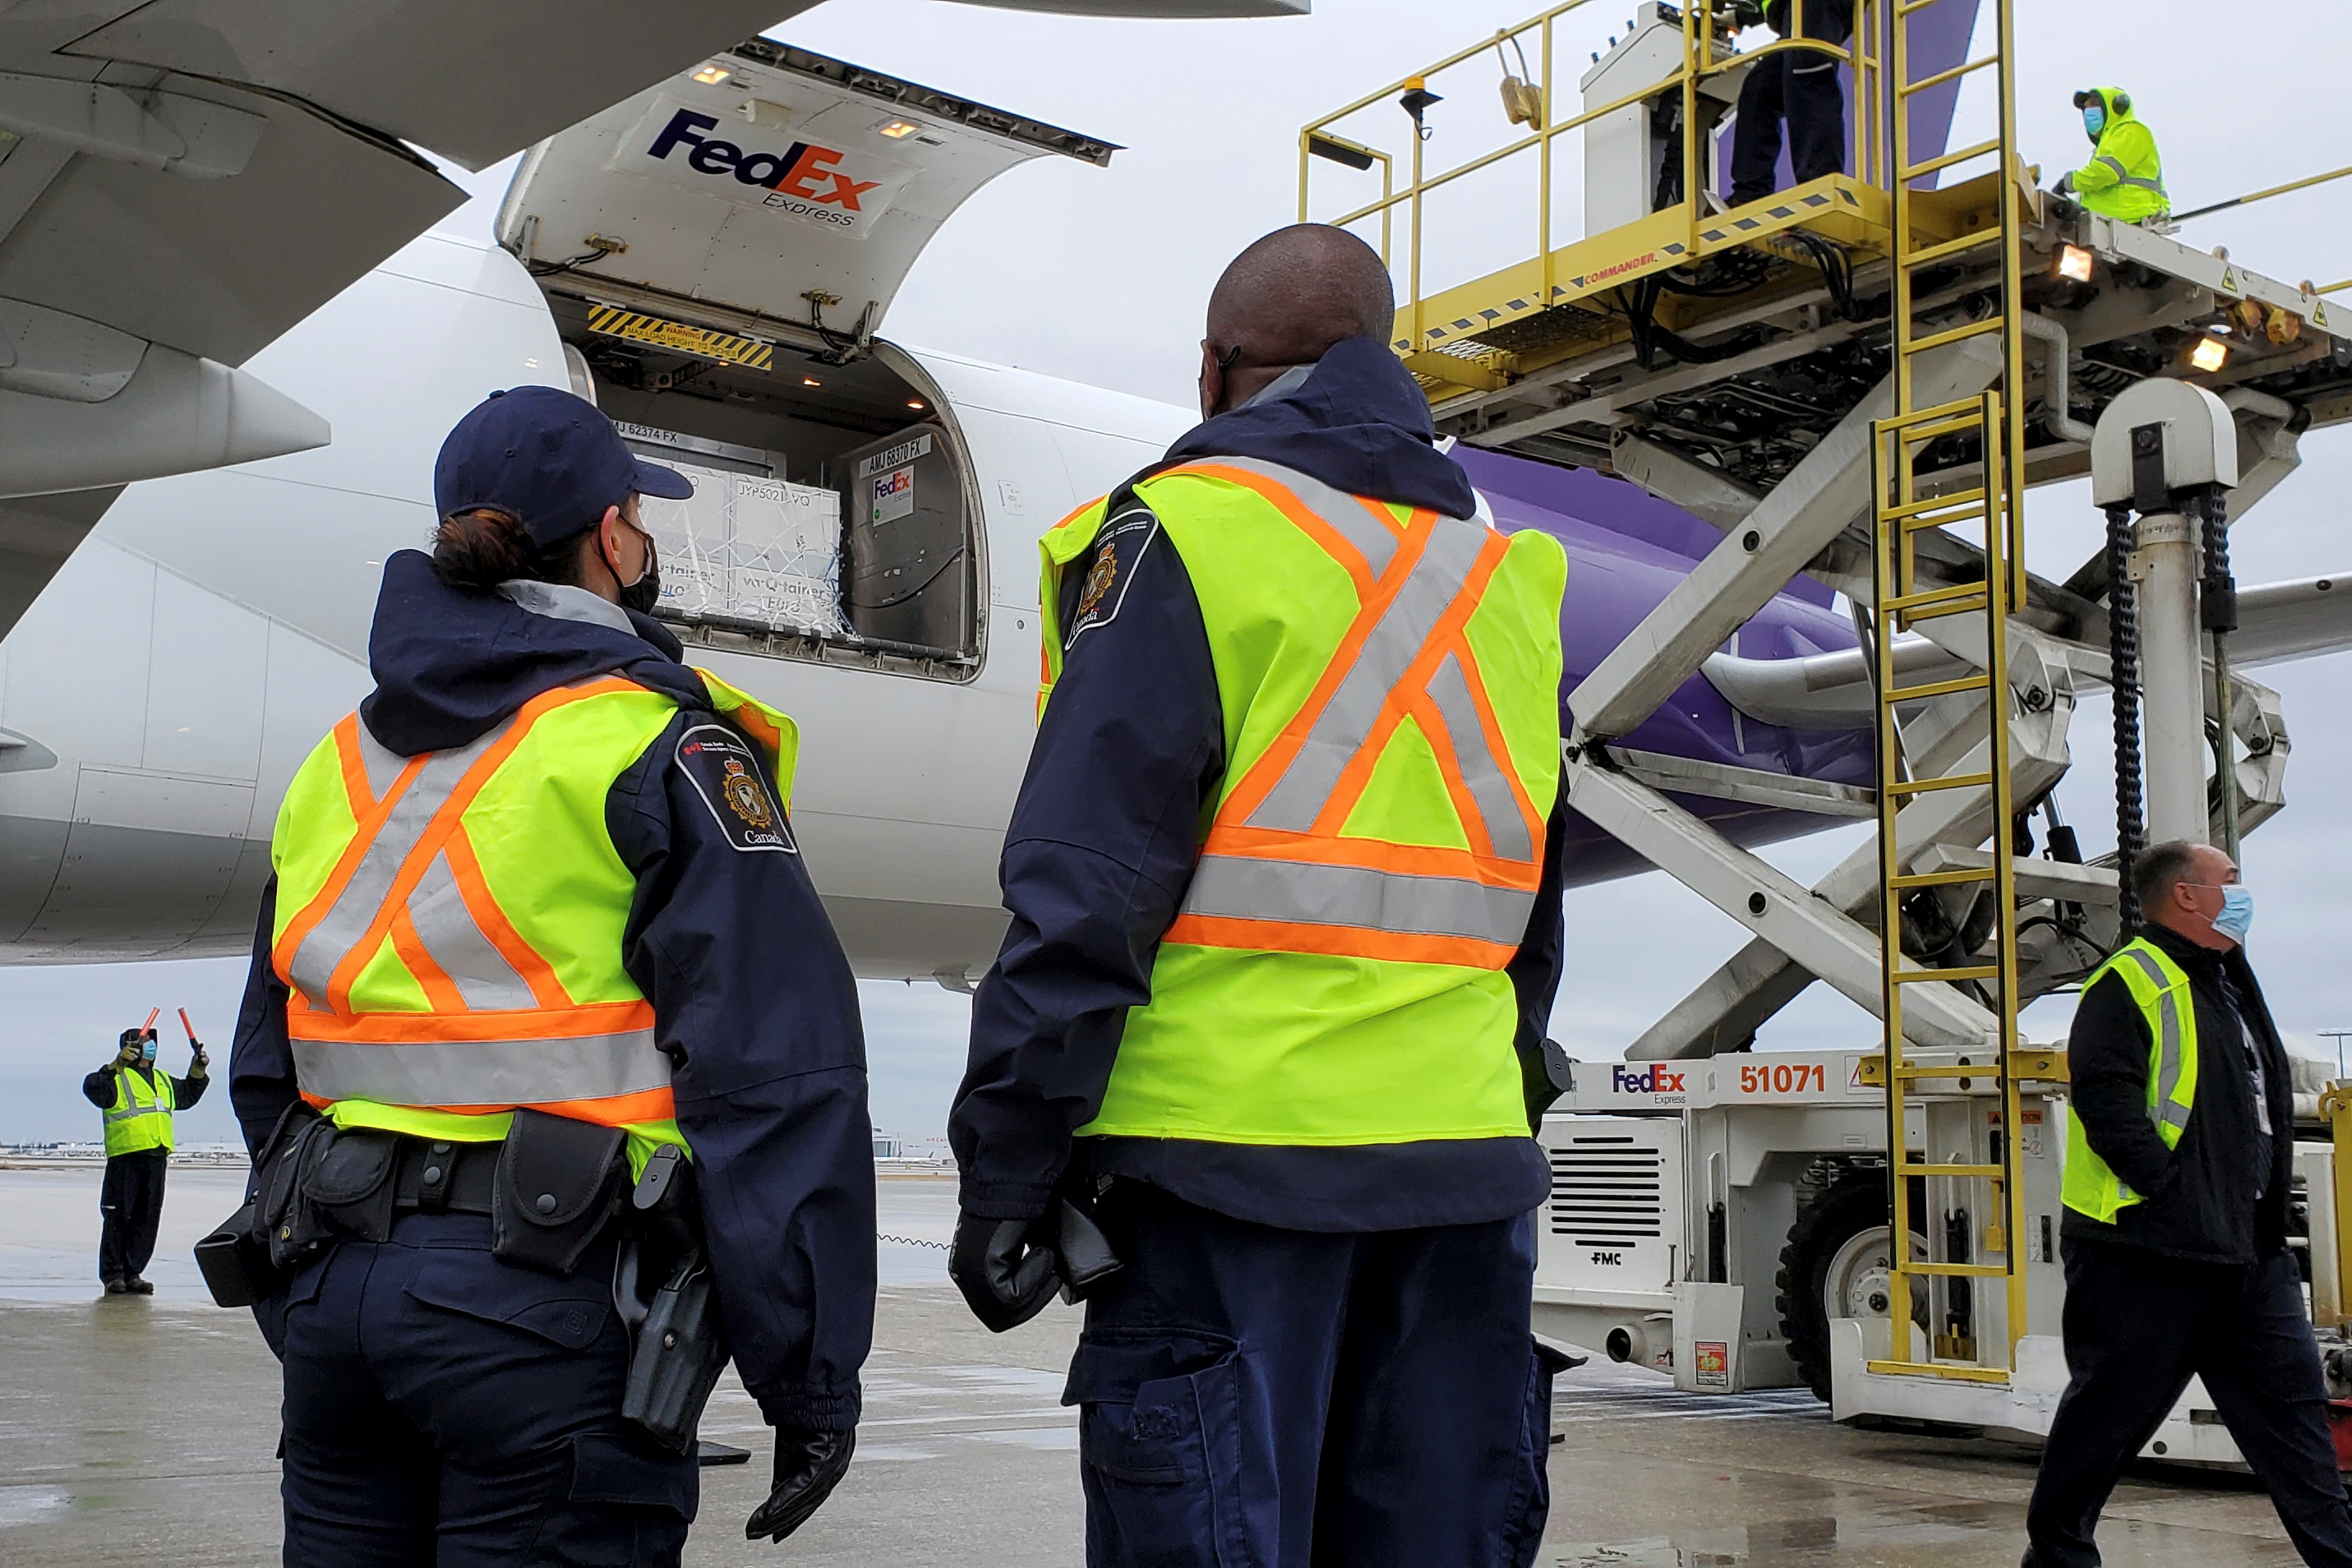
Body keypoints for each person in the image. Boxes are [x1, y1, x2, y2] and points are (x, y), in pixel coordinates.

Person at [947, 224, 1575, 1567]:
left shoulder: (1185, 534)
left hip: (1221, 1180)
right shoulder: (1503, 579)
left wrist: (1009, 1162)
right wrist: (1497, 1104)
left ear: (1212, 369)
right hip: (1462, 1182)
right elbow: (1533, 920)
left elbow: (1088, 885)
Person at [228, 385, 874, 1563]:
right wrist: (808, 1377)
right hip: (542, 1304)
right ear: (612, 536)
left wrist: (313, 1282)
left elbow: (268, 1061)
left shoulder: (343, 761)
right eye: (640, 517)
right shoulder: (657, 744)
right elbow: (776, 1078)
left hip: (336, 1297)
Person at [2023, 840, 2352, 1567]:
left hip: (2247, 1254)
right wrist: (2176, 1198)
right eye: (2229, 880)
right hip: (2145, 1254)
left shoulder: (2227, 981)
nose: (2242, 892)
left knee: (2296, 1426)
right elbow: (2108, 1107)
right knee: (2107, 1423)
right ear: (2186, 896)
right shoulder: (2128, 982)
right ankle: (2056, 1557)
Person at [83, 1022, 208, 1294]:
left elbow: (187, 1095)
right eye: (144, 1043)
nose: (150, 1047)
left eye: (152, 1042)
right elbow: (93, 1088)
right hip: (126, 1155)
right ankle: (114, 1275)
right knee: (118, 1216)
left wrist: (197, 1071)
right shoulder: (117, 1078)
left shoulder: (161, 1079)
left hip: (156, 1155)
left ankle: (133, 1272)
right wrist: (115, 1065)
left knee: (147, 1218)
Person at [1726, 0, 1855, 207]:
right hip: (1794, 9)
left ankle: (1820, 187)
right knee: (1761, 88)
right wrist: (1741, 16)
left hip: (1809, 5)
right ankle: (1750, 192)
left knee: (1808, 77)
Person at [2053, 87, 2169, 225]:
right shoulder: (2108, 144)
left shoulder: (2131, 131)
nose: (2088, 111)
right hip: (2111, 224)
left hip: (2132, 220)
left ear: (2117, 107)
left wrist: (2069, 183)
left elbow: (2106, 172)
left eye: (2094, 104)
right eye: (2086, 107)